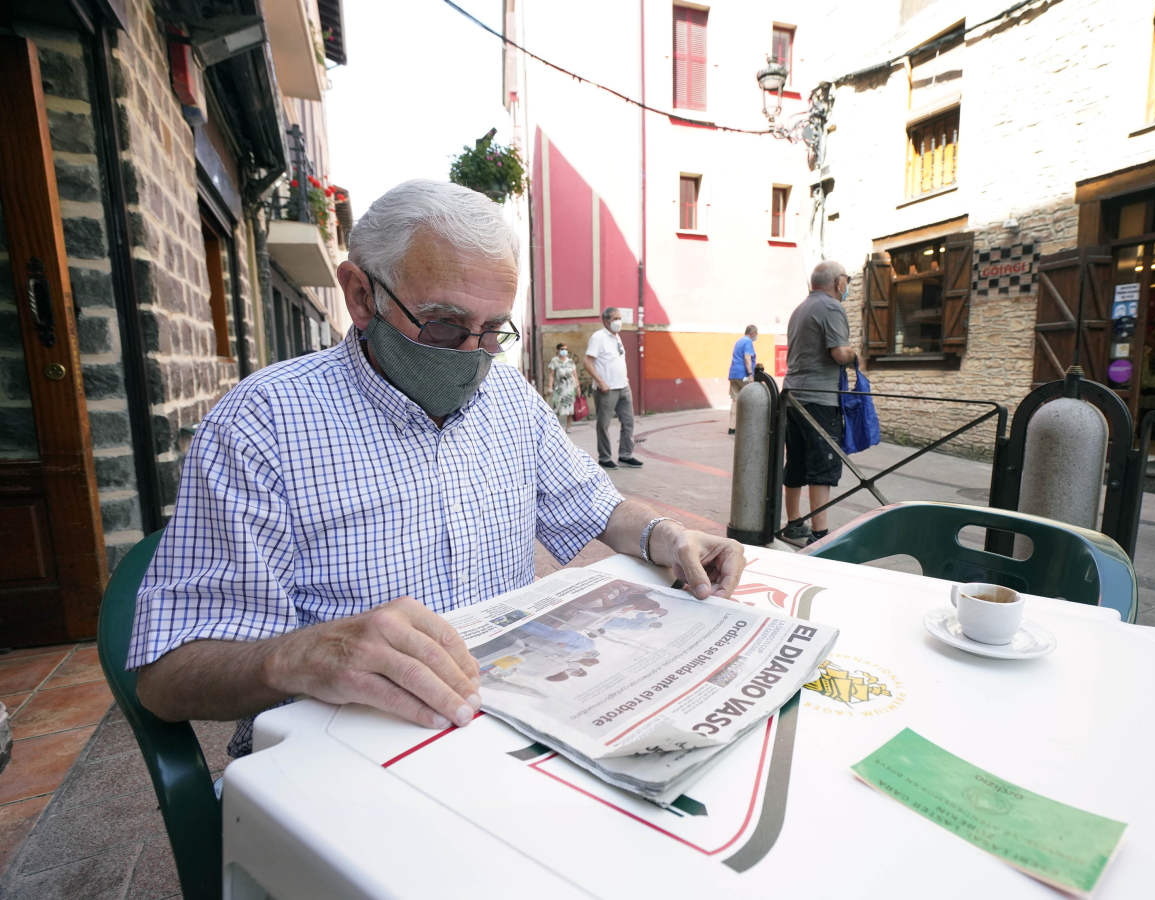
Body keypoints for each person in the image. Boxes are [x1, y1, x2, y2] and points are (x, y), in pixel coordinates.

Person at [127, 180, 743, 756]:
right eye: (445, 326)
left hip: (501, 726)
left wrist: (665, 534)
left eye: (493, 330)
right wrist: (294, 658)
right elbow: (165, 676)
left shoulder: (508, 397)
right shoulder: (260, 424)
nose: (473, 355)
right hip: (344, 754)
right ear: (361, 295)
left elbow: (595, 505)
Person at [782, 261, 857, 544]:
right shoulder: (831, 307)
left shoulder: (799, 309)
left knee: (797, 462)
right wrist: (855, 355)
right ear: (838, 282)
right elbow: (839, 353)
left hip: (793, 397)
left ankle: (793, 523)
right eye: (846, 280)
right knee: (822, 466)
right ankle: (820, 534)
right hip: (819, 398)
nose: (847, 286)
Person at [584, 306, 642, 469]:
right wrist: (601, 382)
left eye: (619, 318)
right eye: (615, 319)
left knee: (628, 422)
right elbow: (587, 362)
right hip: (607, 389)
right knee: (603, 425)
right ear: (606, 321)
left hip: (623, 386)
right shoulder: (598, 337)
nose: (618, 322)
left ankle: (625, 455)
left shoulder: (617, 337)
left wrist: (625, 378)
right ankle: (604, 458)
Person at [727, 325, 758, 434]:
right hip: (743, 375)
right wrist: (750, 374)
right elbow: (747, 357)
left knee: (735, 401)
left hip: (733, 374)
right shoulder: (748, 342)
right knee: (751, 398)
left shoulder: (739, 341)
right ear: (753, 333)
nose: (756, 336)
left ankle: (732, 428)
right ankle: (749, 426)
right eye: (756, 333)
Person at [546, 342, 578, 430]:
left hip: (570, 388)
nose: (564, 351)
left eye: (566, 349)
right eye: (562, 349)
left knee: (570, 407)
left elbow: (575, 375)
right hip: (559, 388)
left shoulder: (570, 361)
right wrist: (549, 386)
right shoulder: (554, 361)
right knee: (557, 407)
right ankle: (556, 427)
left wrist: (578, 387)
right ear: (558, 350)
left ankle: (569, 426)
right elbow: (551, 375)